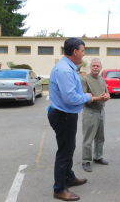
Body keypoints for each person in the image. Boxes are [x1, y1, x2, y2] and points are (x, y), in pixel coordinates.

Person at [47, 38, 93, 201]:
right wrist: (89, 97)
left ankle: (68, 177)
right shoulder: (64, 70)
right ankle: (59, 189)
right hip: (63, 115)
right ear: (75, 52)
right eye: (82, 51)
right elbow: (71, 98)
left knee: (69, 148)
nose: (83, 54)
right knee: (64, 152)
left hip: (66, 115)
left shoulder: (68, 67)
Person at [81, 58, 110, 172]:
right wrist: (99, 98)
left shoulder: (102, 80)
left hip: (101, 111)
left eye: (98, 66)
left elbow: (106, 92)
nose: (95, 67)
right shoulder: (85, 80)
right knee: (88, 138)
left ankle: (98, 156)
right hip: (90, 111)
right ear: (90, 67)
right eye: (93, 65)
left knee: (100, 137)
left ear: (101, 68)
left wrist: (107, 96)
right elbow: (83, 97)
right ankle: (86, 160)